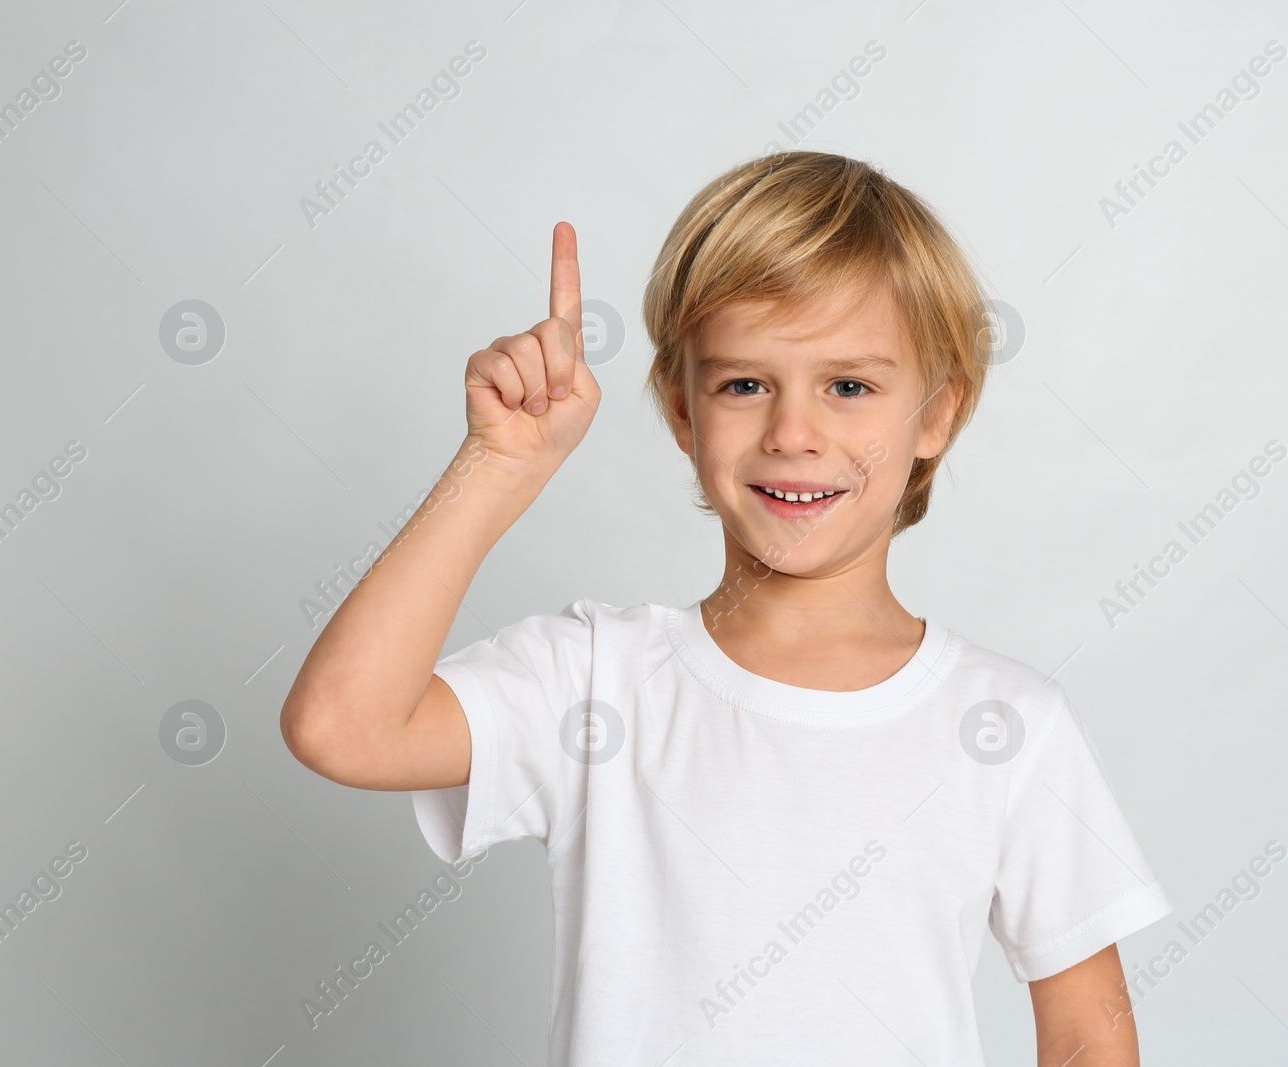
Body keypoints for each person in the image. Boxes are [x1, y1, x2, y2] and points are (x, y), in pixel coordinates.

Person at [280, 150, 1173, 1066]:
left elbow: (1085, 1033)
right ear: (683, 412)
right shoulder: (597, 680)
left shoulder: (1007, 723)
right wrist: (500, 466)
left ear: (936, 414)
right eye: (745, 384)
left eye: (850, 386)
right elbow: (341, 725)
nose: (793, 433)